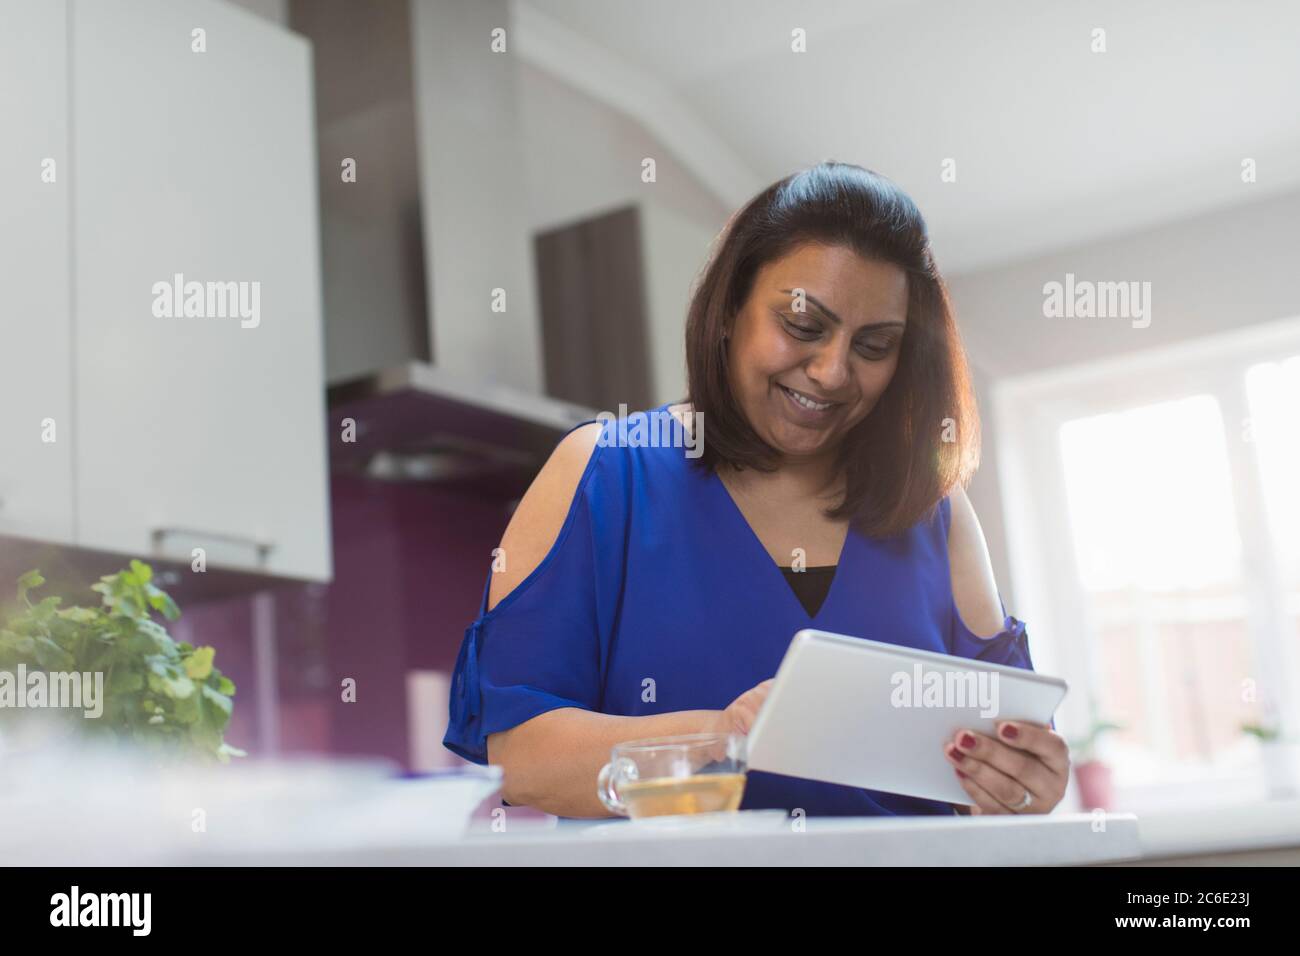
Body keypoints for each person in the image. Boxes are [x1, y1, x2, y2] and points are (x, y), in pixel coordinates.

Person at [444, 161, 1070, 818]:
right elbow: (519, 758)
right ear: (729, 310)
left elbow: (1010, 765)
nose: (832, 372)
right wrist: (725, 733)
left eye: (875, 345)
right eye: (803, 326)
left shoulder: (933, 511)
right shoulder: (604, 471)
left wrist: (1023, 783)